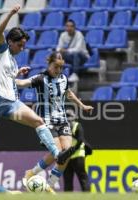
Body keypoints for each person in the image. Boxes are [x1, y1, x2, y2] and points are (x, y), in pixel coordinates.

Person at [0, 5, 76, 177]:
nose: (22, 48)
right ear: (10, 42)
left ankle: (57, 153)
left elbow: (6, 76)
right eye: (20, 45)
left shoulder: (13, 61)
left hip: (11, 103)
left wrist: (17, 72)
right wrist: (10, 14)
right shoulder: (2, 51)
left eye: (24, 45)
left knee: (38, 121)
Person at [15, 52, 93, 192]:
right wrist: (16, 75)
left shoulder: (63, 78)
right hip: (47, 121)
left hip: (62, 121)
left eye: (60, 67)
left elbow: (68, 93)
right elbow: (21, 84)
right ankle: (31, 173)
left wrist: (82, 106)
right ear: (49, 64)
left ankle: (49, 185)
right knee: (56, 153)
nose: (58, 70)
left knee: (67, 153)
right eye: (55, 67)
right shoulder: (40, 78)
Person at [63, 109, 92, 192]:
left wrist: (70, 151)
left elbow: (80, 140)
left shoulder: (66, 127)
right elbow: (80, 140)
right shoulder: (76, 125)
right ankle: (87, 196)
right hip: (75, 155)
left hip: (72, 156)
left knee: (69, 179)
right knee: (81, 178)